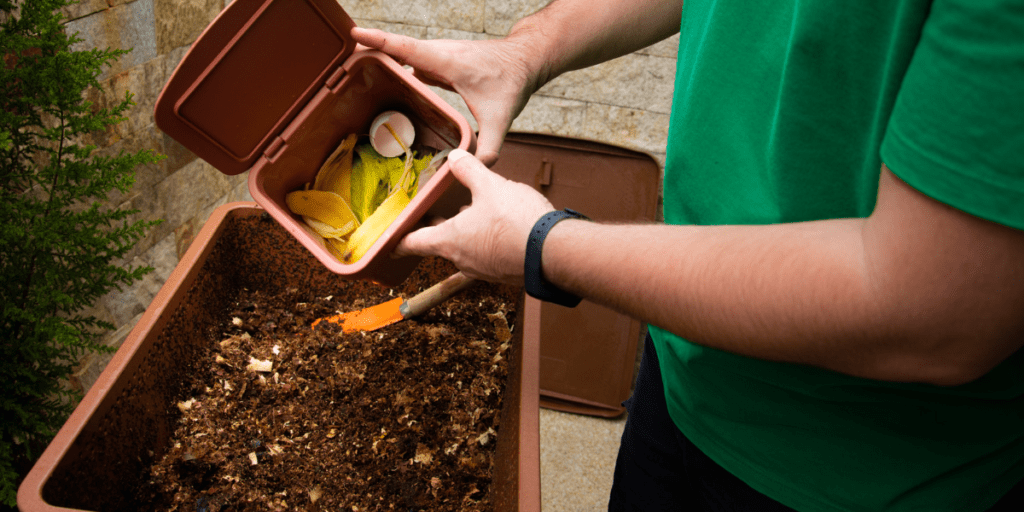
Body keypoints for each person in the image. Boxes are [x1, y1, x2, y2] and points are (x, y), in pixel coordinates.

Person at [352, 0, 1024, 510]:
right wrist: (529, 49)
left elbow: (928, 313)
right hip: (683, 371)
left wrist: (545, 244)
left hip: (857, 473)